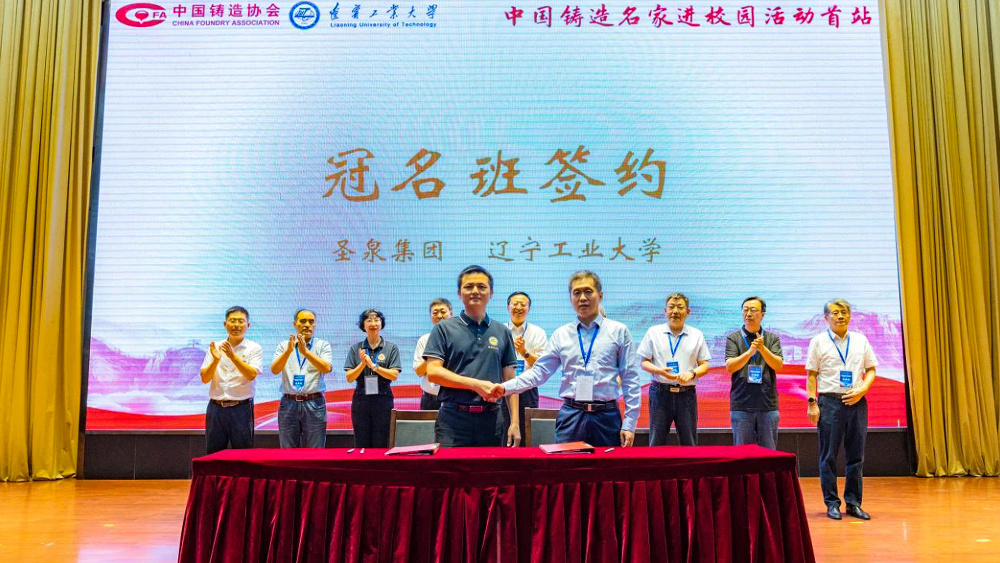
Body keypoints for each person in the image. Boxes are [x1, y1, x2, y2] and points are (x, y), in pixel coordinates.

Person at [490, 271, 641, 448]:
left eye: (588, 291)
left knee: (606, 465)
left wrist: (629, 424)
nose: (582, 298)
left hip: (606, 416)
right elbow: (539, 372)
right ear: (570, 298)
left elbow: (630, 379)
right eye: (577, 293)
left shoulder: (619, 331)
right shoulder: (561, 334)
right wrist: (504, 387)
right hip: (571, 416)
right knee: (566, 465)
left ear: (600, 295)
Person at [424, 265, 520, 447]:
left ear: (491, 293)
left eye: (482, 287)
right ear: (459, 293)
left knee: (491, 466)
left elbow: (510, 380)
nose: (475, 291)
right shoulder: (443, 329)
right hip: (452, 420)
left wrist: (514, 422)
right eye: (469, 287)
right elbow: (434, 373)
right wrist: (476, 385)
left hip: (492, 419)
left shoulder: (502, 331)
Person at [806, 299, 877, 520]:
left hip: (857, 401)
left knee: (856, 456)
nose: (840, 316)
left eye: (844, 312)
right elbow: (811, 375)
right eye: (835, 313)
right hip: (830, 402)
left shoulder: (860, 340)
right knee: (828, 455)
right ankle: (832, 503)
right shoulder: (818, 341)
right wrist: (812, 403)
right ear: (826, 318)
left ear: (849, 315)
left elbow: (871, 369)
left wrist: (862, 390)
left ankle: (853, 503)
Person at [636, 292, 710, 446]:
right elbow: (644, 362)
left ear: (688, 312)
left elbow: (704, 365)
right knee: (656, 442)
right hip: (660, 393)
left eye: (680, 307)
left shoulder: (696, 334)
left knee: (689, 442)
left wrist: (692, 373)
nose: (675, 311)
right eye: (671, 307)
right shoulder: (653, 332)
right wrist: (659, 371)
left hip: (686, 395)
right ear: (665, 311)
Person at [200, 306, 263, 454]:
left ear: (248, 325)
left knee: (243, 454)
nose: (236, 325)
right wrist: (216, 360)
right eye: (232, 321)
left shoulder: (254, 348)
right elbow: (205, 378)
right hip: (216, 408)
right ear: (225, 324)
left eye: (241, 321)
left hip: (241, 408)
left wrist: (232, 357)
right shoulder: (215, 347)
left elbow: (251, 375)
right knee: (214, 453)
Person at [725, 296, 784, 449]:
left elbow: (778, 365)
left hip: (767, 405)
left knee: (769, 454)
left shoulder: (772, 338)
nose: (748, 314)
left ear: (762, 314)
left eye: (753, 310)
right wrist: (750, 352)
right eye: (745, 310)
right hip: (741, 405)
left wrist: (762, 349)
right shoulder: (733, 338)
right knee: (742, 455)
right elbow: (730, 367)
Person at [270, 309, 333, 448]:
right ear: (295, 324)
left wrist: (306, 352)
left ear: (315, 325)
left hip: (314, 402)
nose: (307, 325)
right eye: (303, 321)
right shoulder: (284, 345)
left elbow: (326, 368)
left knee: (315, 450)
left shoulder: (322, 345)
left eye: (311, 322)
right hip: (289, 402)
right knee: (288, 450)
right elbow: (274, 370)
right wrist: (288, 351)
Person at [345, 309, 401, 448]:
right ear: (363, 325)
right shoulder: (356, 348)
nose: (373, 323)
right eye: (369, 320)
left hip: (383, 397)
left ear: (381, 324)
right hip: (361, 397)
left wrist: (374, 366)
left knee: (381, 440)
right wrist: (362, 364)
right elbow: (349, 377)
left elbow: (394, 375)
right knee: (361, 439)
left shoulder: (391, 348)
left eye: (376, 320)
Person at [500, 291, 547, 443]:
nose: (519, 307)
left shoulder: (537, 332)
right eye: (515, 304)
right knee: (502, 431)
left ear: (529, 308)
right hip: (503, 388)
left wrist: (524, 352)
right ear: (508, 307)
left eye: (523, 304)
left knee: (527, 433)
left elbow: (542, 365)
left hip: (528, 388)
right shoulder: (499, 331)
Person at [412, 298, 453, 410]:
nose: (439, 316)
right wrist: (433, 354)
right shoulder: (424, 340)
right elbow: (419, 372)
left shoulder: (459, 339)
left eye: (443, 312)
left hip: (453, 399)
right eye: (435, 313)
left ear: (451, 313)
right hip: (429, 399)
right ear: (430, 316)